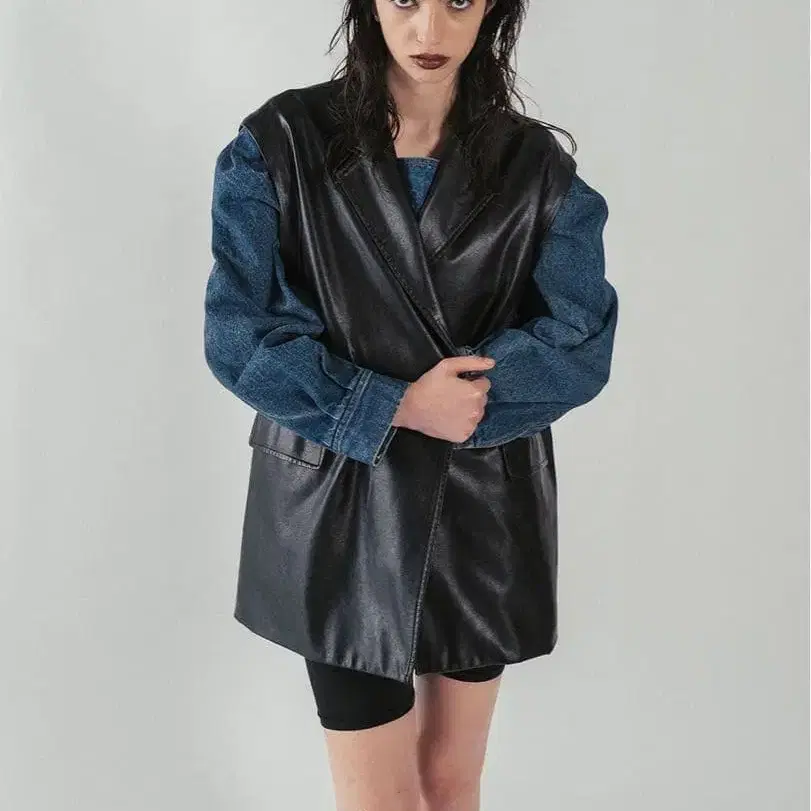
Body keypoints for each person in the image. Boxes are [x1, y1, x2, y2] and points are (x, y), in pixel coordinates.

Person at [203, 0, 618, 808]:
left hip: (480, 502)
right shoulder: (280, 143)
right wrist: (392, 404)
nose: (429, 32)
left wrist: (463, 401)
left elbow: (578, 337)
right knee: (377, 798)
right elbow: (239, 332)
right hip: (339, 504)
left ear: (492, 8)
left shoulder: (536, 167)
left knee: (451, 783)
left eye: (457, 1)